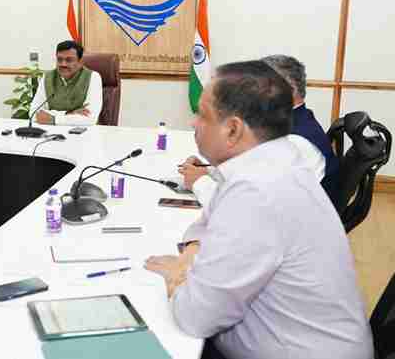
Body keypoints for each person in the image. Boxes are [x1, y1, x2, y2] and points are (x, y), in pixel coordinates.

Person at [145, 60, 373, 359]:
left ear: (232, 130)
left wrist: (177, 276)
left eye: (202, 114)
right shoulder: (267, 162)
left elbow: (195, 317)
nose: (193, 123)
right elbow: (201, 228)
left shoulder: (259, 190)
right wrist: (189, 258)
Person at [179, 54, 338, 206]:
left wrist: (199, 183)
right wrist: (210, 172)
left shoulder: (296, 143)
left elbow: (247, 206)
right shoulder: (288, 124)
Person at [29, 40, 102, 126]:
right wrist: (68, 113)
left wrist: (54, 119)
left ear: (80, 62)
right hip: (51, 131)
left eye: (69, 60)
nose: (63, 64)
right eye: (59, 60)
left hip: (82, 132)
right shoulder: (47, 77)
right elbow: (34, 113)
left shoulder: (93, 77)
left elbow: (90, 118)